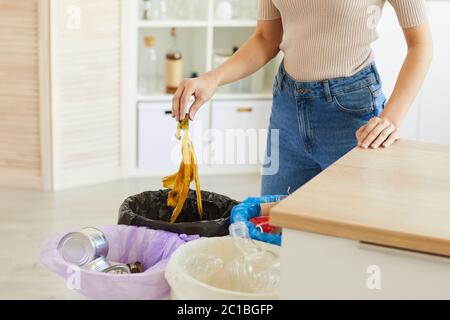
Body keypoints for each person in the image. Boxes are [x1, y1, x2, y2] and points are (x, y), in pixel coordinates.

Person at [171, 0, 433, 195]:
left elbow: (421, 44)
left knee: (347, 242)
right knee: (275, 232)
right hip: (287, 112)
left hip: (352, 119)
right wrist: (212, 78)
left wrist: (391, 119)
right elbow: (266, 38)